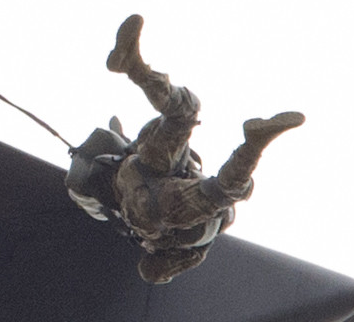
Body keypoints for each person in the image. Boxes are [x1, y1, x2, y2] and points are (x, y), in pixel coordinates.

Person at [64, 14, 304, 283]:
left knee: (186, 116)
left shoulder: (202, 220)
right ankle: (133, 66)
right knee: (185, 118)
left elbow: (153, 271)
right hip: (148, 184)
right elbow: (152, 272)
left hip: (146, 198)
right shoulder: (200, 211)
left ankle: (254, 143)